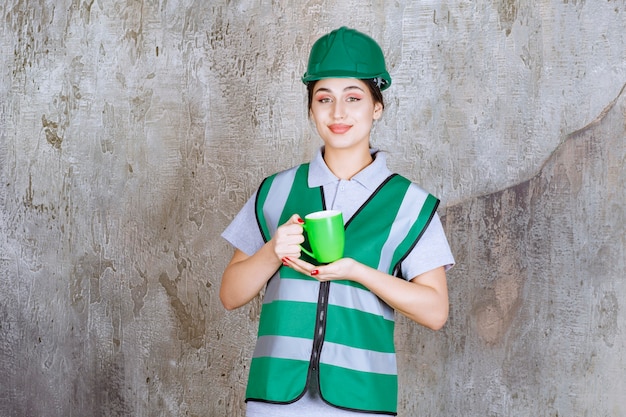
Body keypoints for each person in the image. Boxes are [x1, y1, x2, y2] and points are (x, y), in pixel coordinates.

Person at [220, 26, 455, 417]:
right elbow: (230, 294)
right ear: (311, 109)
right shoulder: (275, 191)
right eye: (324, 98)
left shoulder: (411, 205)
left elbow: (435, 311)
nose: (338, 112)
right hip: (273, 398)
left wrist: (357, 272)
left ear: (377, 107)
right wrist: (271, 251)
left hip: (361, 401)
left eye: (353, 97)